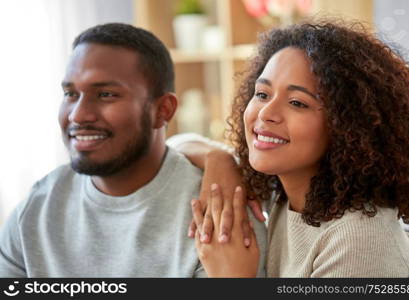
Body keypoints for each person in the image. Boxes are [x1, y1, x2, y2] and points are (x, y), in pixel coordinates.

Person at [0, 22, 267, 277]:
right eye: (71, 94)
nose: (78, 115)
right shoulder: (36, 210)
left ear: (163, 110)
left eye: (106, 94)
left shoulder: (219, 214)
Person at [182, 20, 409, 277]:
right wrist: (221, 160)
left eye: (297, 103)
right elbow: (178, 143)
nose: (267, 113)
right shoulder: (286, 193)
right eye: (262, 94)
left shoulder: (359, 240)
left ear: (349, 125)